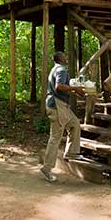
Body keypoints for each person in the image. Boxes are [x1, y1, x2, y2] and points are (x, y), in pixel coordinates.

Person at [40, 51, 86, 182]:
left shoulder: (56, 69)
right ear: (60, 59)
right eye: (64, 56)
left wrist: (73, 88)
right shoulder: (61, 70)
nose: (66, 57)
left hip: (61, 106)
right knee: (55, 137)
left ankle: (72, 152)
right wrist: (75, 89)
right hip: (57, 106)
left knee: (75, 124)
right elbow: (59, 86)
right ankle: (47, 168)